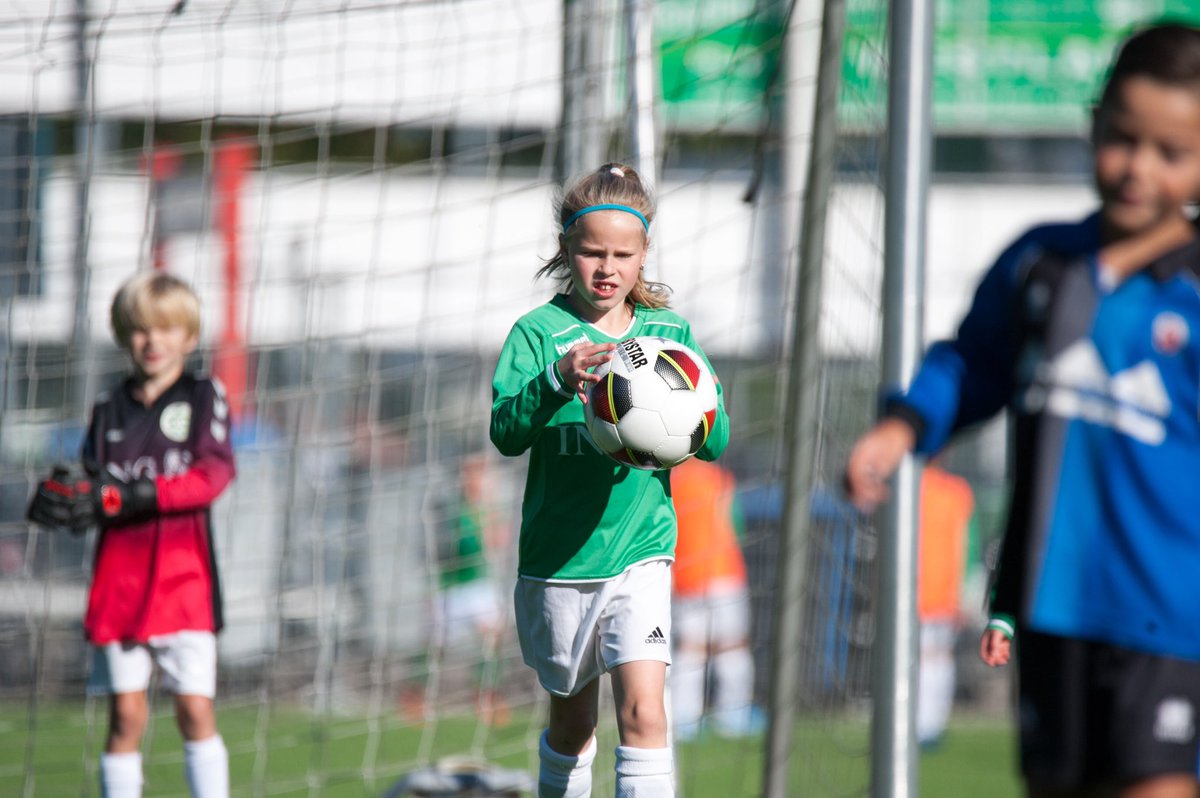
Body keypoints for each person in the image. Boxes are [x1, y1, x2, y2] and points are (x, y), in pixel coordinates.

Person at [844, 23, 1200, 798]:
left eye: (1171, 153)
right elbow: (971, 361)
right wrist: (904, 426)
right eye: (1122, 139)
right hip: (1050, 609)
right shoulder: (1041, 263)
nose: (1139, 168)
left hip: (1172, 619)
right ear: (1094, 122)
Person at [490, 162, 730, 798]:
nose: (607, 267)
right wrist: (555, 382)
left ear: (644, 254)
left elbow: (719, 439)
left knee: (645, 713)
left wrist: (693, 409)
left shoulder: (669, 335)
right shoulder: (537, 335)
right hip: (559, 560)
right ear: (566, 249)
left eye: (623, 254)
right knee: (573, 727)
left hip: (640, 552)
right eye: (592, 251)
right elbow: (505, 434)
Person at [28, 271, 236, 798]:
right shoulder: (107, 409)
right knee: (125, 716)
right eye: (141, 328)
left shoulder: (203, 394)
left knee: (193, 707)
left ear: (189, 337)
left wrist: (133, 496)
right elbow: (94, 489)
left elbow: (211, 477)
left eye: (166, 329)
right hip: (120, 586)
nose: (153, 340)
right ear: (124, 334)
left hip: (184, 585)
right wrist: (62, 501)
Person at [669, 456, 761, 741]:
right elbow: (736, 525)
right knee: (731, 647)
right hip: (724, 574)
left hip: (686, 576)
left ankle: (684, 717)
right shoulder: (718, 477)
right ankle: (733, 714)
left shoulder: (670, 480)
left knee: (689, 650)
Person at [914, 459, 976, 751]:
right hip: (919, 592)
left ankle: (929, 725)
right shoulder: (914, 485)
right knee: (930, 659)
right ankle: (923, 724)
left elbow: (966, 543)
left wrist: (963, 592)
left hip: (940, 594)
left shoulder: (955, 491)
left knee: (935, 658)